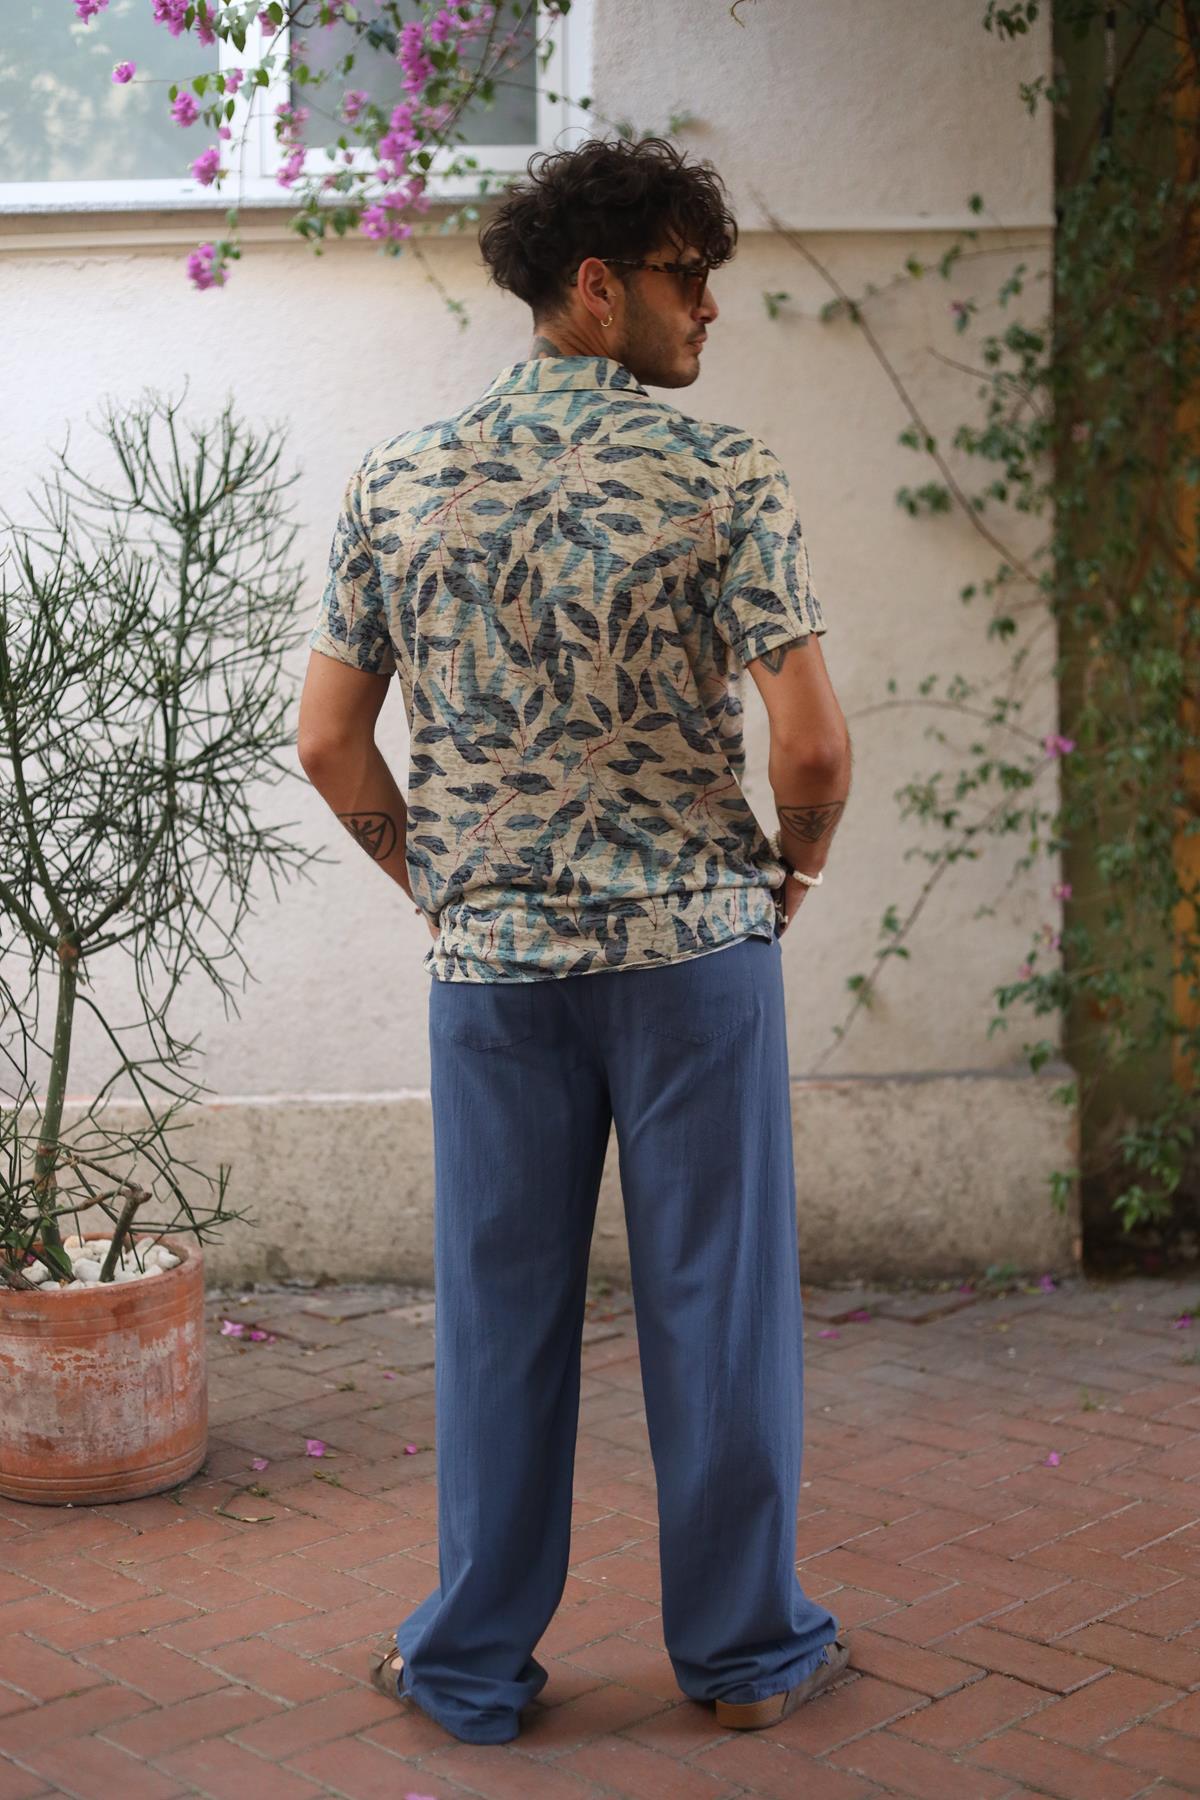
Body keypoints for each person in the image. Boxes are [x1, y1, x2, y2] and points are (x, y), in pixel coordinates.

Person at [298, 134, 854, 1747]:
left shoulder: (397, 481)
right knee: (718, 1313)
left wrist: (438, 884)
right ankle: (746, 1658)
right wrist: (794, 875)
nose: (710, 309)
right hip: (696, 962)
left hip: (494, 976)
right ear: (597, 286)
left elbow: (328, 741)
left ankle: (471, 1662)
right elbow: (813, 749)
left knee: (499, 1321)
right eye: (689, 277)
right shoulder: (724, 475)